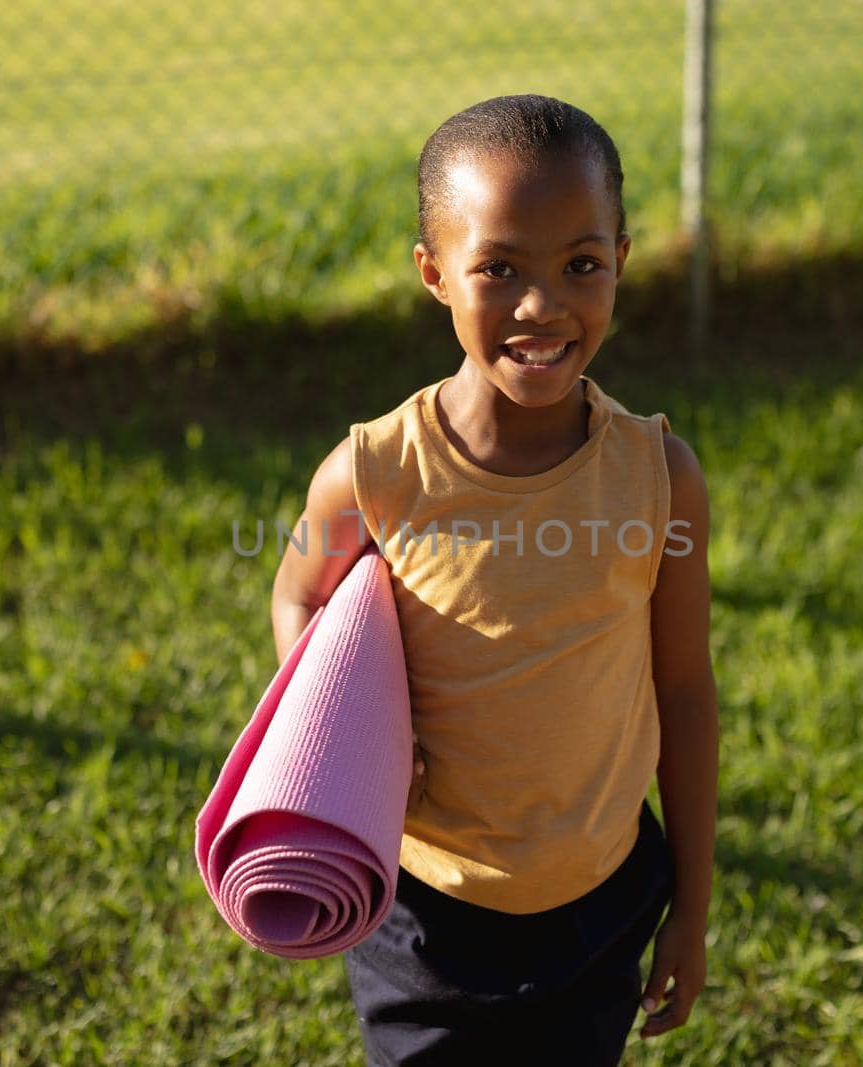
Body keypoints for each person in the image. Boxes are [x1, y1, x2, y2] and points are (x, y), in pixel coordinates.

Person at [269, 94, 719, 1065]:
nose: (543, 305)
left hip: (602, 903)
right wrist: (346, 741)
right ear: (434, 272)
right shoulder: (375, 471)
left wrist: (692, 902)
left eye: (580, 265)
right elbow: (299, 591)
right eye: (499, 268)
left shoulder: (659, 476)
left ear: (621, 263)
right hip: (425, 913)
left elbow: (682, 690)